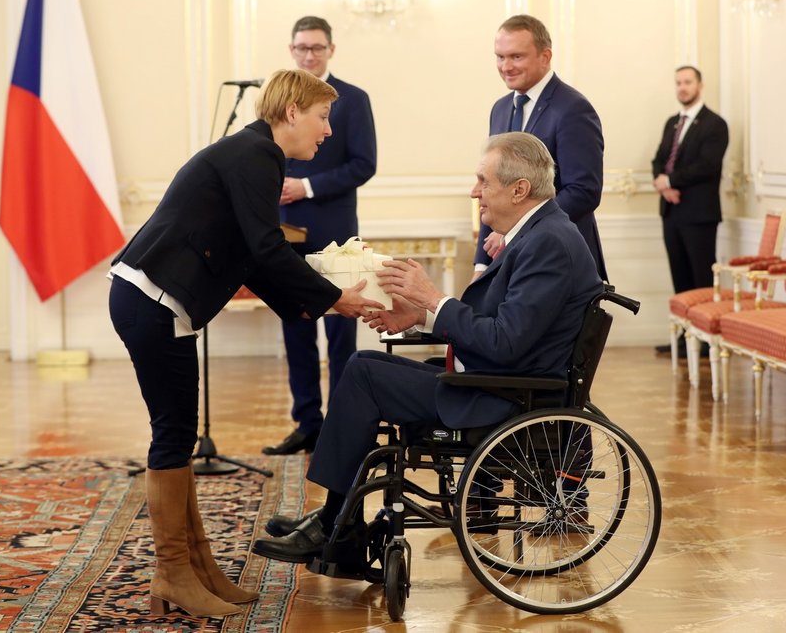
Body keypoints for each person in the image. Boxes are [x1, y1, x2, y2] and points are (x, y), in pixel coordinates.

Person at [252, 132, 603, 564]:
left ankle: (332, 526)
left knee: (363, 373)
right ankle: (336, 519)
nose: (475, 192)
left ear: (519, 189)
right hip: (498, 381)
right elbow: (502, 331)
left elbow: (506, 341)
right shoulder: (543, 233)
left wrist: (432, 299)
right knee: (366, 363)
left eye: (482, 181)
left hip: (508, 395)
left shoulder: (547, 242)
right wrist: (419, 317)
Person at [108, 69, 382, 618]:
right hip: (152, 301)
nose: (327, 131)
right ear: (292, 113)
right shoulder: (257, 156)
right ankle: (172, 574)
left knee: (179, 434)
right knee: (173, 436)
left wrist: (311, 304)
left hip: (161, 301)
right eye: (323, 117)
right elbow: (265, 249)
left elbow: (253, 255)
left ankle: (198, 567)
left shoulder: (256, 153)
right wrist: (331, 300)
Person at [264, 16, 378, 457]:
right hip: (286, 231)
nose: (308, 55)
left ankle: (344, 425)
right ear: (291, 50)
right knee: (296, 325)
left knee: (340, 333)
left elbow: (363, 165)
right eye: (301, 48)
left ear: (331, 49)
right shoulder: (282, 100)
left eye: (316, 48)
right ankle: (307, 423)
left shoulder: (354, 100)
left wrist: (306, 186)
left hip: (333, 231)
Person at [474, 14, 607, 281]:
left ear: (545, 57)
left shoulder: (573, 108)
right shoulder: (500, 109)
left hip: (560, 260)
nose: (506, 66)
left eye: (516, 57)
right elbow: (491, 189)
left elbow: (584, 192)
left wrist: (515, 230)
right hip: (507, 263)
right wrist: (480, 265)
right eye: (500, 57)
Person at [652, 65, 729, 354]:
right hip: (670, 212)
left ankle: (706, 342)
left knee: (700, 280)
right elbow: (659, 160)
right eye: (678, 83)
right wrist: (663, 184)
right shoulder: (672, 122)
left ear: (700, 85)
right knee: (680, 279)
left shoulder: (715, 124)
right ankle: (685, 342)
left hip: (699, 215)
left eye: (687, 82)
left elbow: (707, 167)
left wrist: (670, 180)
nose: (682, 87)